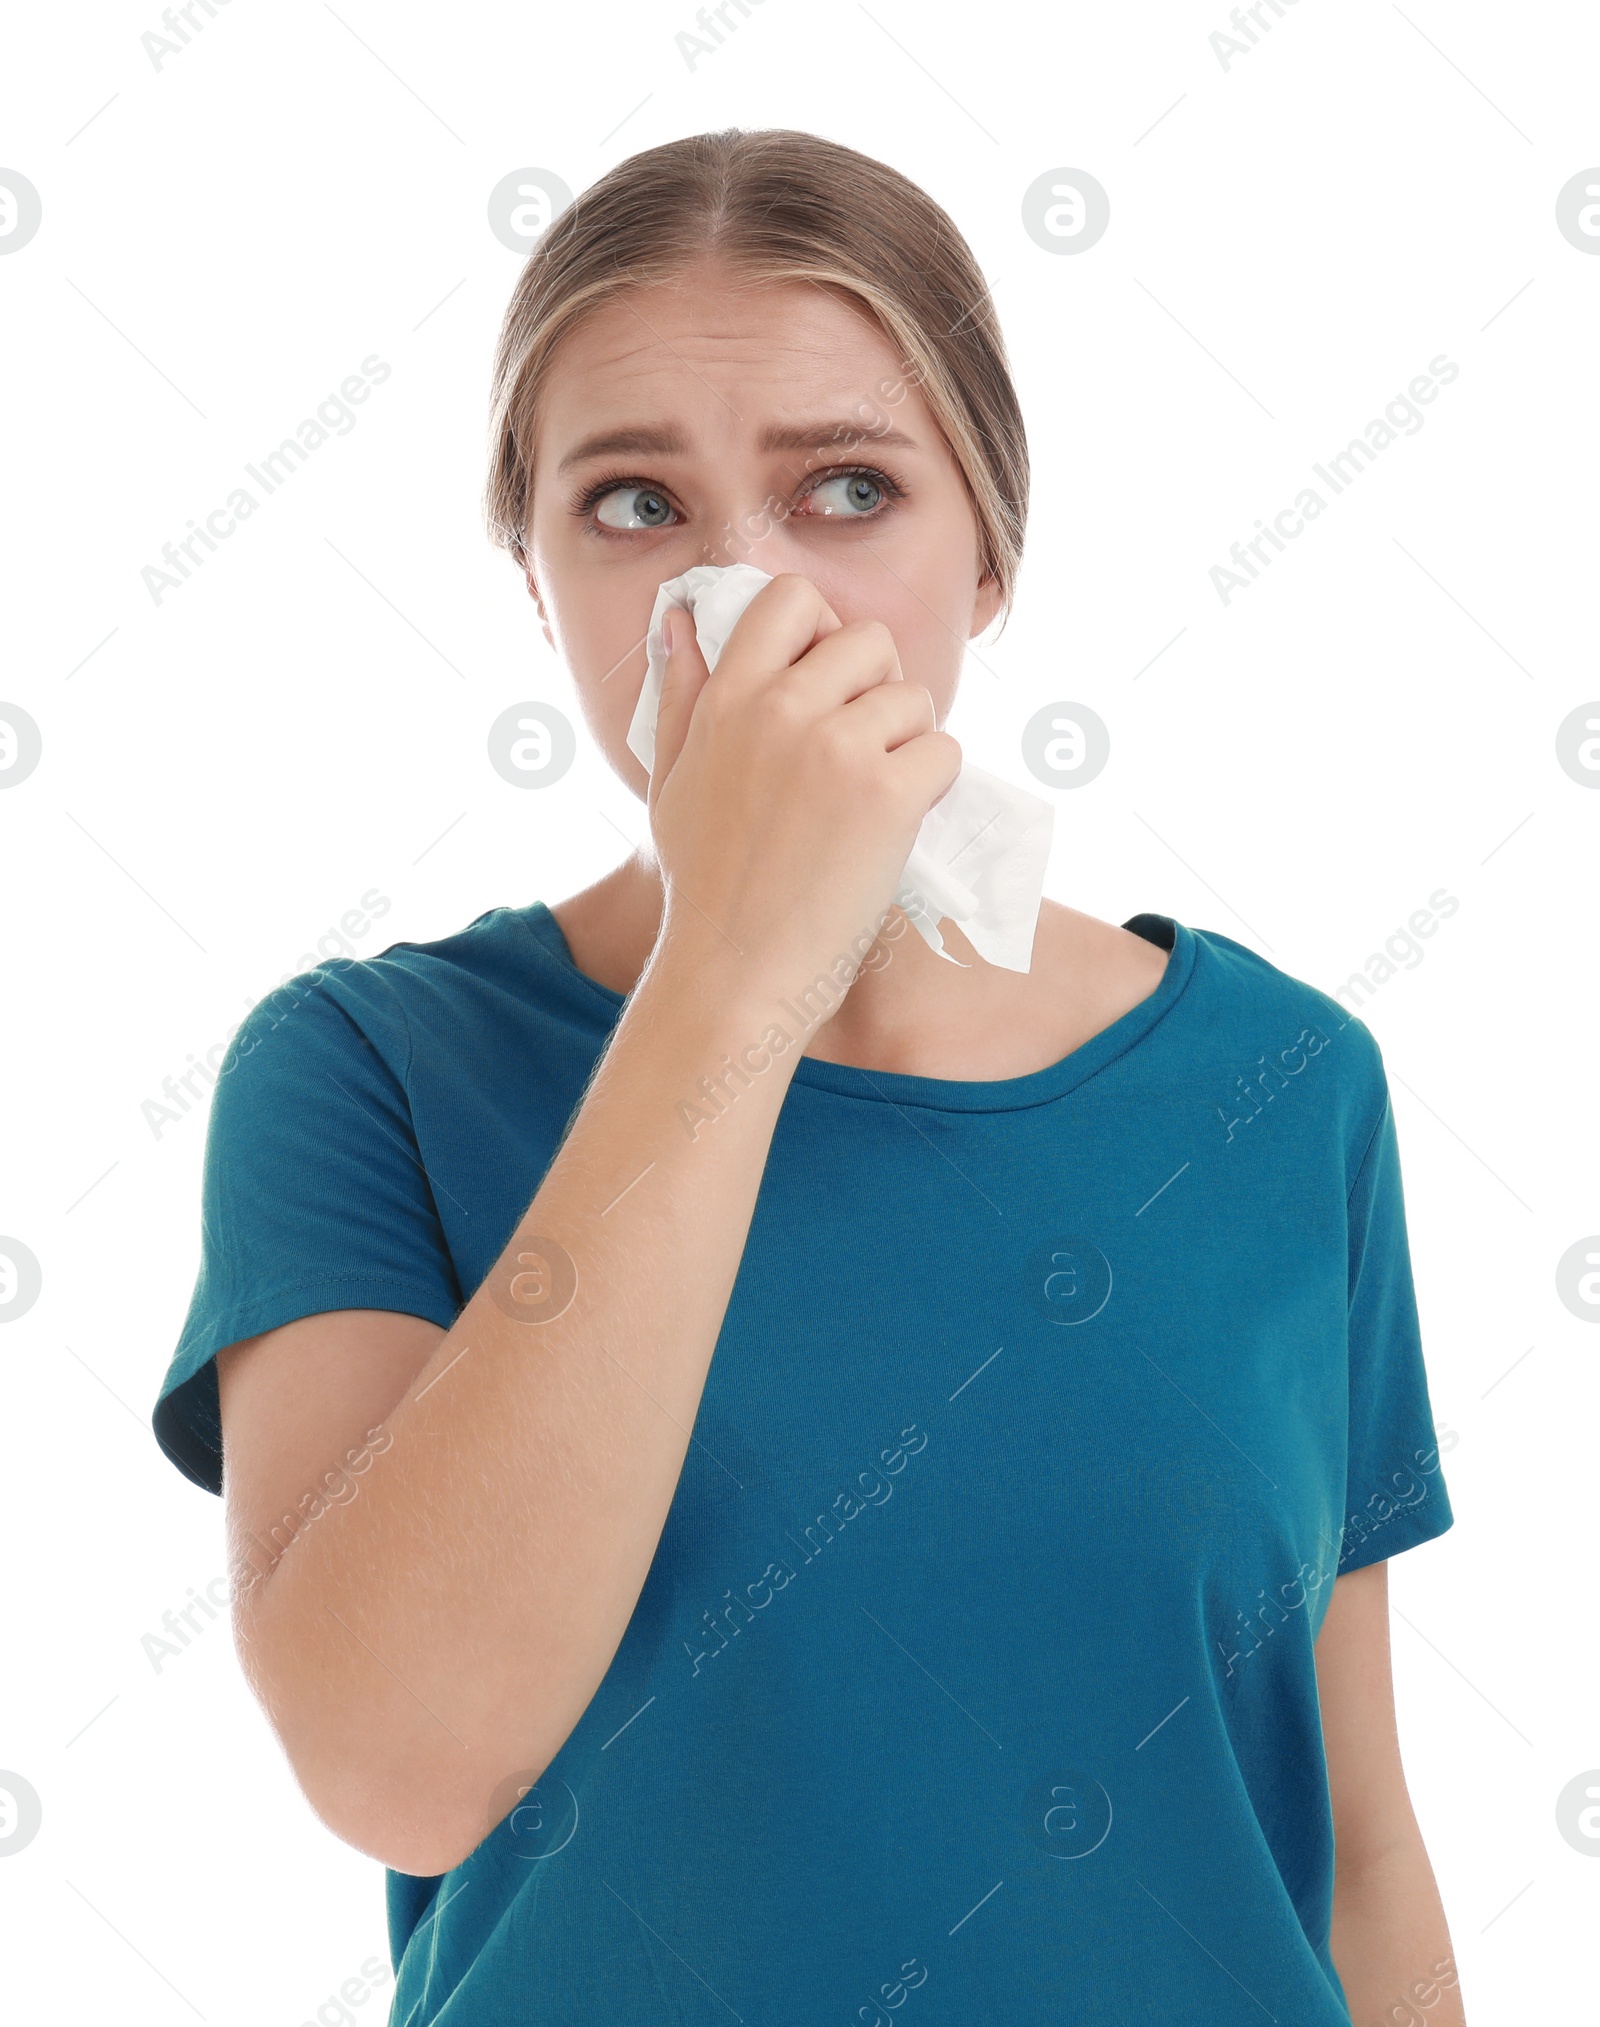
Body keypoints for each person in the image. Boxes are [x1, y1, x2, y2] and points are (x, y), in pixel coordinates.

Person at [151, 127, 1465, 2024]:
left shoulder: (1282, 1087)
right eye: (631, 505)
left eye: (847, 488)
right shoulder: (370, 1072)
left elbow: (1360, 1836)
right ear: (534, 579)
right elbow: (401, 1761)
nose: (745, 595)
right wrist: (741, 960)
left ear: (989, 549)